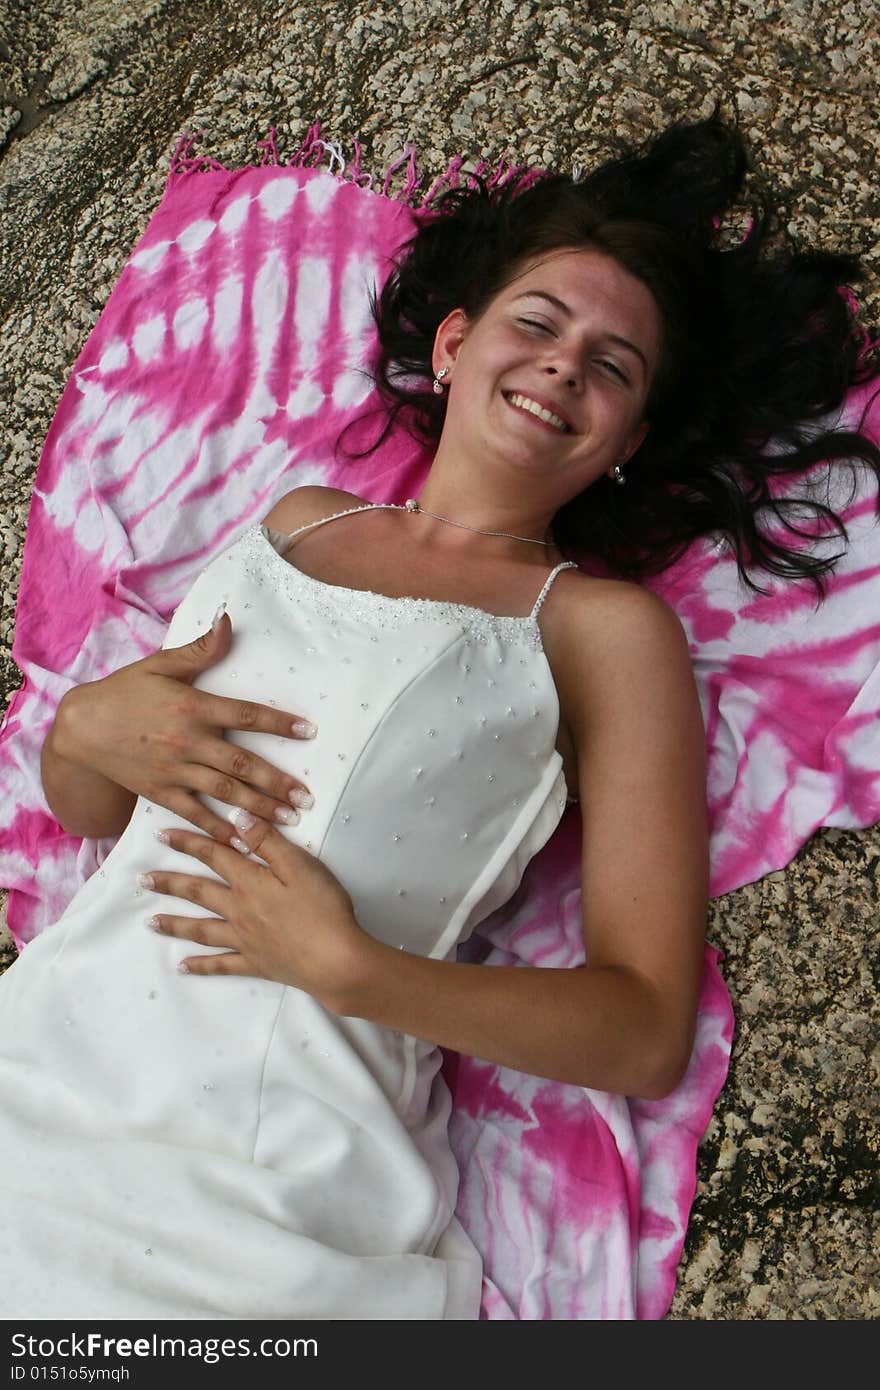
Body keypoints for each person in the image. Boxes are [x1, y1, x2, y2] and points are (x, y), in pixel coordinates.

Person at [0, 113, 877, 1320]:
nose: (565, 365)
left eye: (613, 366)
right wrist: (82, 731)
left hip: (272, 1164)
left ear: (625, 440)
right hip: (43, 1062)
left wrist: (357, 969)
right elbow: (104, 806)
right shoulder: (294, 520)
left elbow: (640, 1029)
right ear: (455, 347)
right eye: (537, 323)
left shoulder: (605, 633)